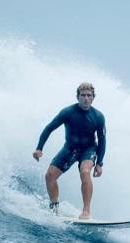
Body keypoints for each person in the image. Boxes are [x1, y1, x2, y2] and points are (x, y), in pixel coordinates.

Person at [33, 82, 106, 219]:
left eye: (89, 96)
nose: (86, 98)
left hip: (88, 150)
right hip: (70, 148)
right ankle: (54, 208)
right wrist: (39, 148)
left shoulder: (98, 117)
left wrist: (99, 163)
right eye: (83, 95)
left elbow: (102, 140)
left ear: (93, 98)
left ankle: (86, 211)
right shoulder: (68, 112)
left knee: (85, 172)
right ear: (77, 97)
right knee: (49, 176)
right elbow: (49, 128)